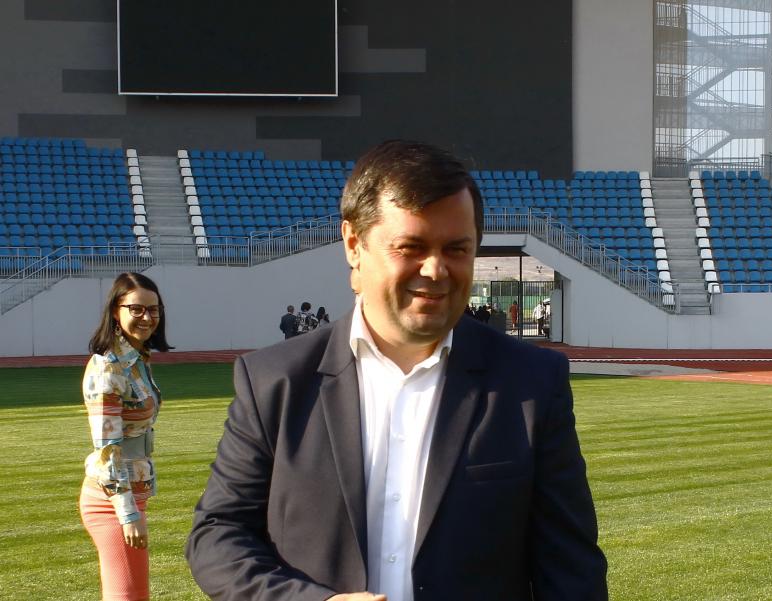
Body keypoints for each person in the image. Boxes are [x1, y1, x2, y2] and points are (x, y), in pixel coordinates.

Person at [186, 140, 607, 601]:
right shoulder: (274, 380)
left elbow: (571, 570)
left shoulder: (531, 382)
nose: (436, 269)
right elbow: (218, 533)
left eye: (457, 249)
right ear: (354, 244)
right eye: (411, 247)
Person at [80, 272, 172, 601]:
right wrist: (128, 514)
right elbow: (108, 450)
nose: (147, 317)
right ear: (115, 312)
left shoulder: (137, 359)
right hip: (111, 502)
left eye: (153, 309)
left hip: (133, 493)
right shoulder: (108, 368)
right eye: (136, 309)